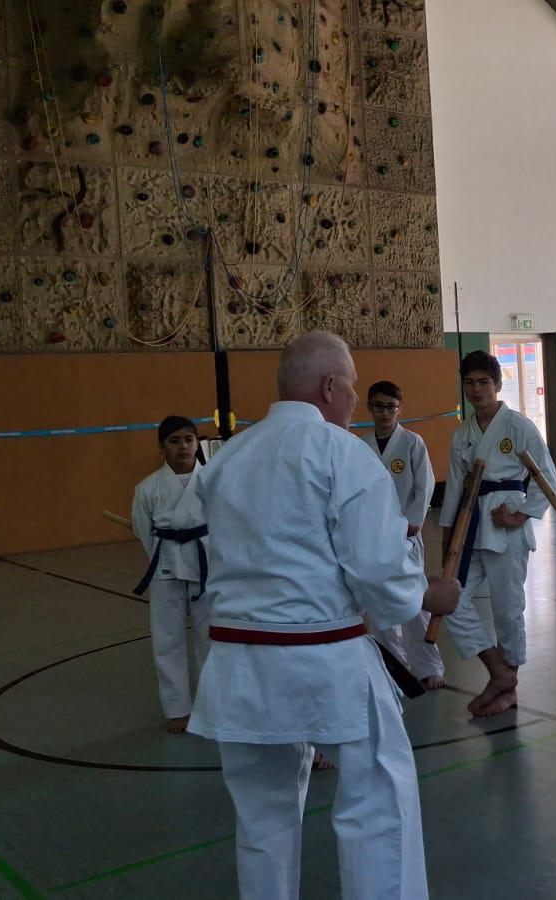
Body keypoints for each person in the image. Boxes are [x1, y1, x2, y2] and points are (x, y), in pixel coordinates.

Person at [188, 331, 461, 900]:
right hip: (324, 656)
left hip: (239, 662)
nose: (357, 399)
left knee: (261, 819)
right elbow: (379, 574)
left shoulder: (226, 457)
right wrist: (426, 595)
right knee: (378, 799)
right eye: (353, 386)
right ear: (330, 386)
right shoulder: (342, 452)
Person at [439, 350, 556, 718]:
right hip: (471, 524)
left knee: (508, 610)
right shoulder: (462, 432)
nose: (476, 389)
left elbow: (548, 478)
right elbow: (455, 489)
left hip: (506, 523)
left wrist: (520, 514)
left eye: (483, 382)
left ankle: (510, 688)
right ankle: (499, 671)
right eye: (469, 383)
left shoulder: (518, 426)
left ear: (498, 384)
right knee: (450, 601)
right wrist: (448, 541)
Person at [361, 381, 445, 689]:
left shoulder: (412, 442)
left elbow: (425, 485)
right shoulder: (361, 445)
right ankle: (393, 665)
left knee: (413, 600)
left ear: (400, 409)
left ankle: (428, 666)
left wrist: (413, 522)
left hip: (406, 533)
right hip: (373, 535)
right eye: (379, 406)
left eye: (391, 407)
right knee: (378, 603)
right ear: (369, 407)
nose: (385, 413)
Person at [131, 415, 211, 734]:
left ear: (197, 443)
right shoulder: (147, 488)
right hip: (165, 564)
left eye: (189, 439)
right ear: (162, 446)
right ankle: (178, 709)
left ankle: (211, 707)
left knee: (210, 637)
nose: (183, 446)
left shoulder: (213, 480)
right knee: (168, 639)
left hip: (207, 563)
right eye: (174, 441)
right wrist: (165, 556)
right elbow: (143, 531)